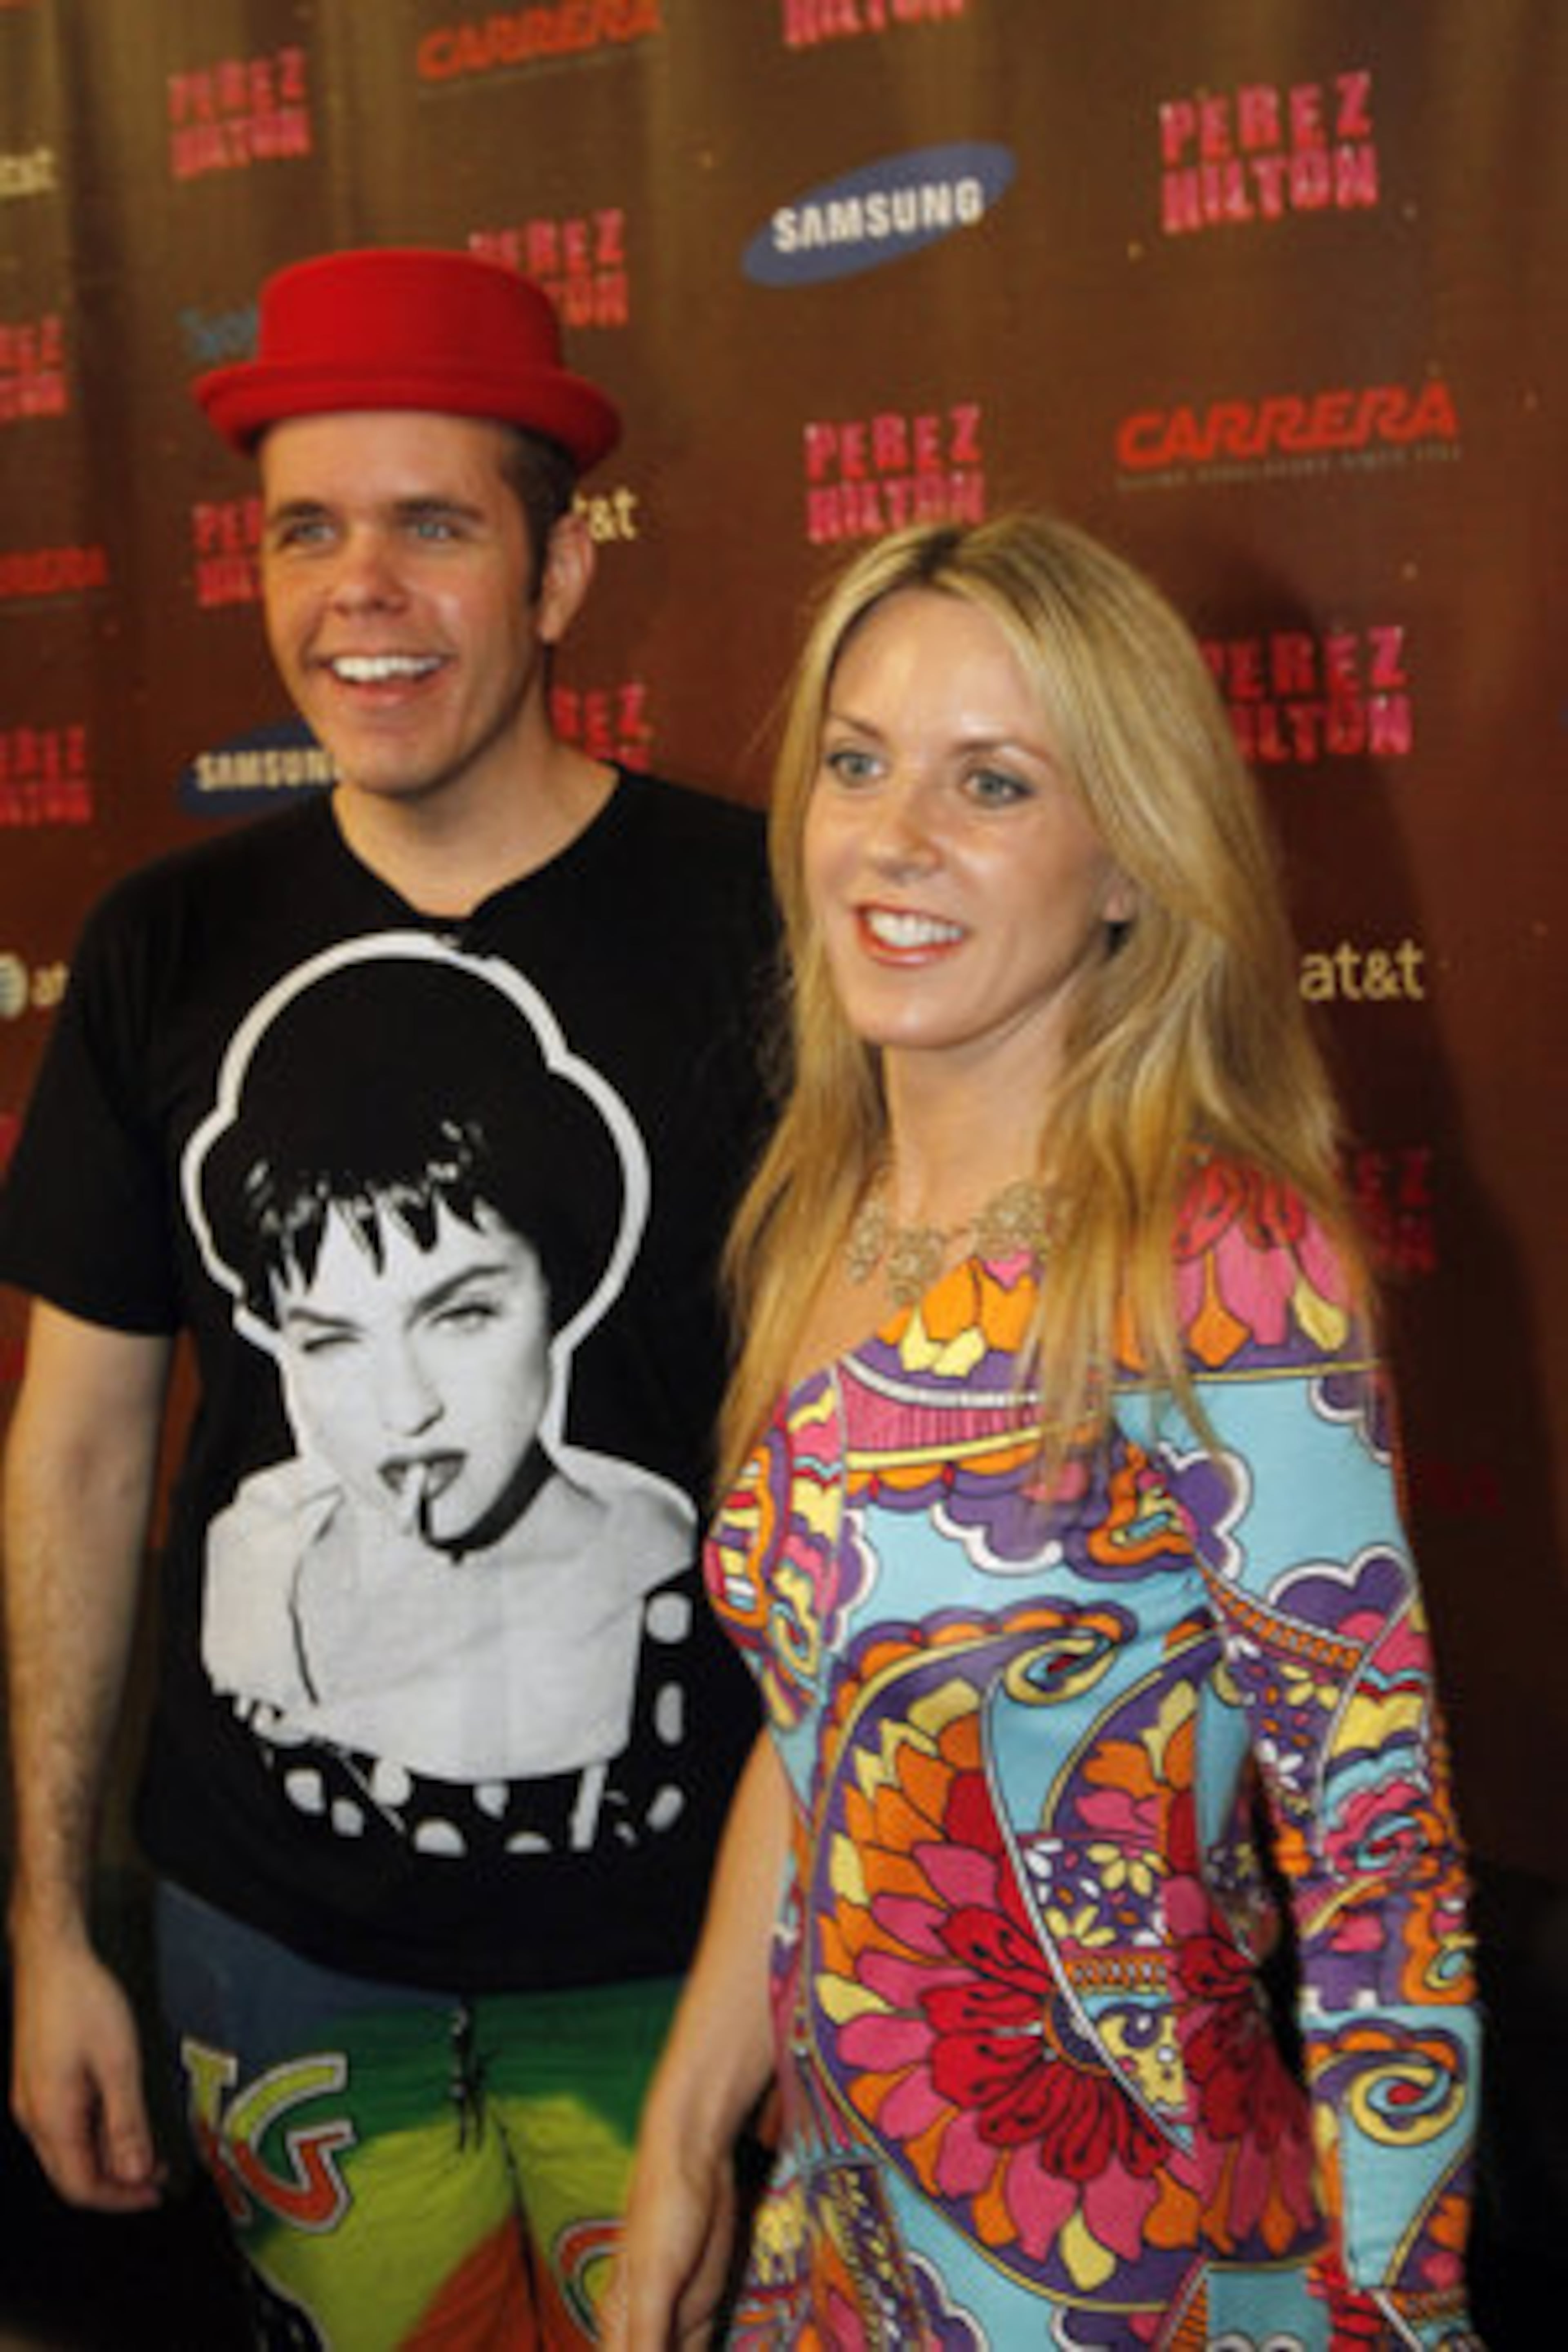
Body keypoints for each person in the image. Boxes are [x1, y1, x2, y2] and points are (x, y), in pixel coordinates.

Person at [0, 246, 768, 2349]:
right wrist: (49, 1923)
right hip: (272, 1954)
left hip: (686, 1964)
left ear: (559, 571)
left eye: (435, 526)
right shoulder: (160, 942)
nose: (365, 591)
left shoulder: (769, 924)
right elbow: (74, 1455)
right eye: (310, 530)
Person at [605, 514, 1481, 2349]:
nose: (894, 839)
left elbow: (1378, 1844)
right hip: (841, 2226)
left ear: (1129, 868)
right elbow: (820, 1719)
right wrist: (693, 2131)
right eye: (858, 762)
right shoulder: (824, 1210)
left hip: (1122, 2253)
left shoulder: (1220, 1254)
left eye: (991, 782)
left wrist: (1403, 2318)